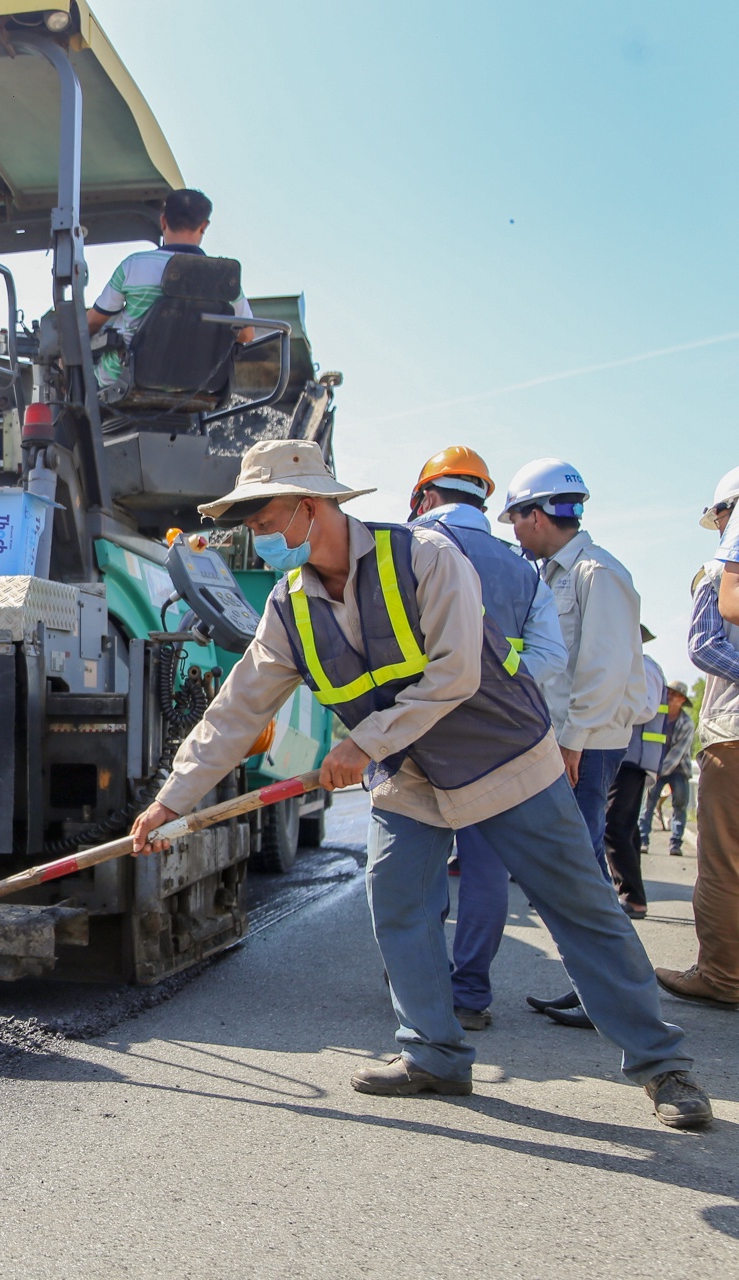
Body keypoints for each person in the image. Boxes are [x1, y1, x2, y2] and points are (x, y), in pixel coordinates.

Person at [130, 439, 709, 1129]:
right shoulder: (290, 607)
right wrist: (172, 800)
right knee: (399, 900)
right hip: (410, 778)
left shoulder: (429, 559)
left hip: (505, 762)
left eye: (263, 520)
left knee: (581, 909)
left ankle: (663, 1067)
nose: (257, 537)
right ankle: (434, 1052)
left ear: (310, 508)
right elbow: (237, 709)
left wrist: (361, 745)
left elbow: (457, 673)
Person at [406, 447, 566, 1030]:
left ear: (425, 497)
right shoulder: (522, 569)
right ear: (484, 500)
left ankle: (419, 989)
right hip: (497, 743)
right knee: (485, 869)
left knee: (416, 868)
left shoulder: (405, 549)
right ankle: (470, 995)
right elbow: (549, 657)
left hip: (416, 735)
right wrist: (496, 677)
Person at [498, 459, 652, 1025]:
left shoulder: (597, 573)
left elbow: (603, 670)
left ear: (537, 515)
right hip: (565, 741)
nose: (513, 532)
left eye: (516, 518)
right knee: (575, 869)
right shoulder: (555, 575)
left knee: (582, 873)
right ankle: (596, 988)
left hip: (584, 746)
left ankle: (616, 997)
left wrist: (574, 743)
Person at [655, 464, 739, 1008]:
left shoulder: (716, 573)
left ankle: (723, 975)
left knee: (725, 861)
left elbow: (705, 644)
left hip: (732, 736)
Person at [86, 188, 253, 386]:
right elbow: (247, 334)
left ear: (163, 221)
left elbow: (92, 324)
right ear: (203, 226)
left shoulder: (133, 266)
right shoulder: (224, 278)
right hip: (196, 385)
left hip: (125, 380)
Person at [602, 631, 668, 917]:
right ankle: (633, 895)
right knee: (626, 827)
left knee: (614, 825)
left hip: (633, 759)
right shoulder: (635, 665)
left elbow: (645, 708)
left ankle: (631, 895)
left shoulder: (645, 666)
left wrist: (607, 703)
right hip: (627, 757)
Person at [639, 681, 695, 858]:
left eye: (675, 694)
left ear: (682, 700)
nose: (670, 697)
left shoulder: (686, 723)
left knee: (679, 805)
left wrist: (658, 770)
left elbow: (677, 753)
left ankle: (675, 844)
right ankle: (642, 840)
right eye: (669, 693)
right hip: (656, 766)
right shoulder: (656, 716)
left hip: (678, 769)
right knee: (649, 803)